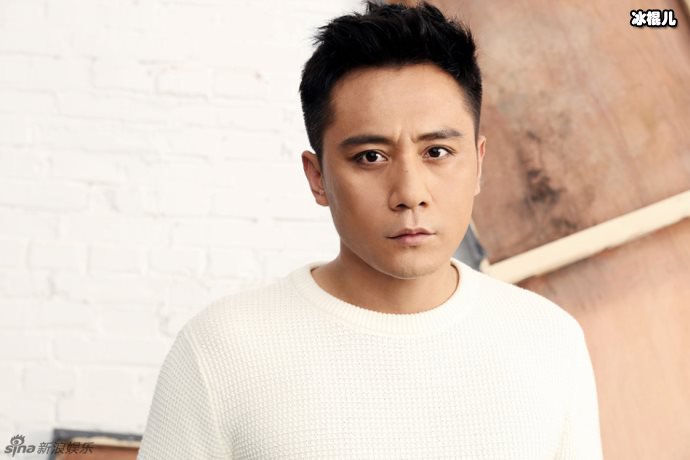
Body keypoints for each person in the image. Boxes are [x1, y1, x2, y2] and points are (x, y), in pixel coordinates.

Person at [137, 2, 604, 458]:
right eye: (370, 157)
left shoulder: (548, 341)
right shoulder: (222, 350)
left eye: (437, 152)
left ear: (479, 164)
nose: (410, 193)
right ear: (317, 177)